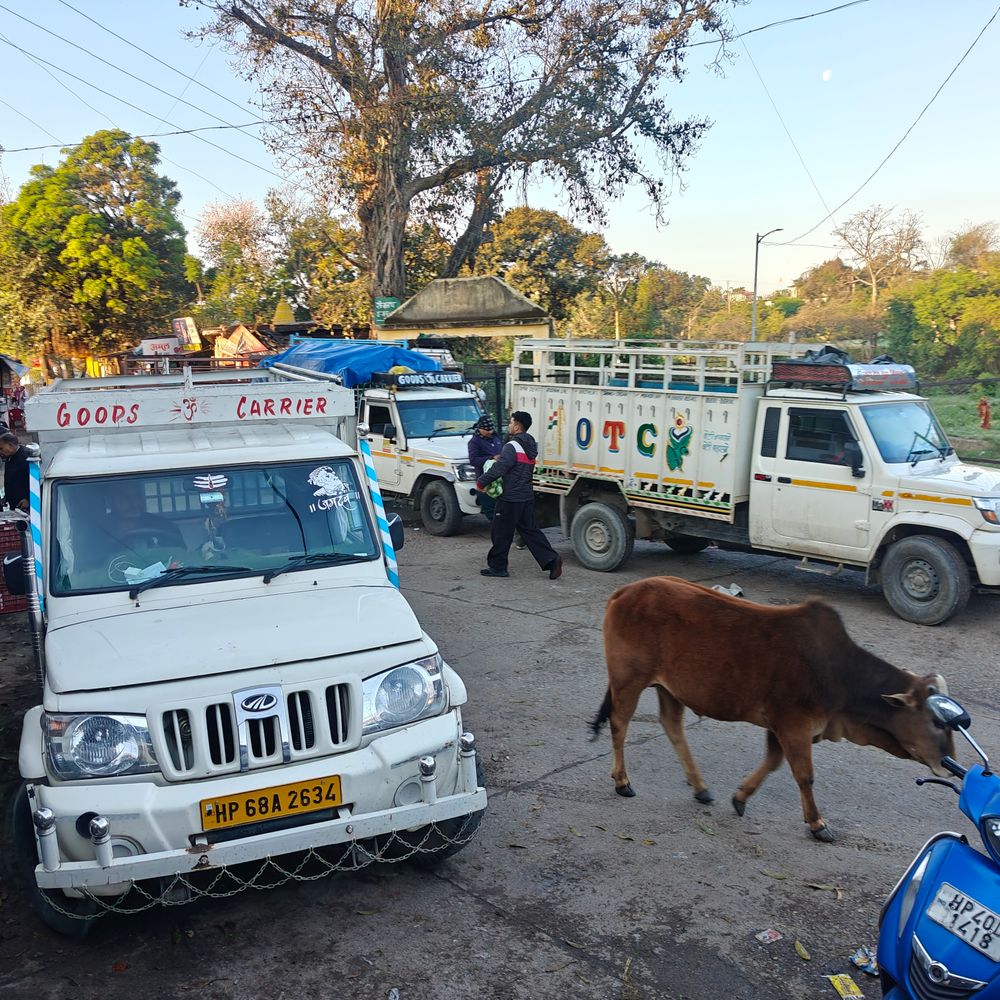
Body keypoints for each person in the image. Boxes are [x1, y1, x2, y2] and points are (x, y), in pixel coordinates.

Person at [476, 411, 562, 580]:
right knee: (530, 532)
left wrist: (481, 482)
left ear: (516, 426)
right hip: (526, 496)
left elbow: (501, 467)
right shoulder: (530, 445)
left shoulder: (512, 446)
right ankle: (552, 560)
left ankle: (498, 567)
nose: (509, 425)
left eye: (511, 422)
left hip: (510, 498)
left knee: (500, 532)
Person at [467, 414, 504, 521]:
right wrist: (491, 458)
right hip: (485, 482)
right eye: (487, 430)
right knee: (492, 512)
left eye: (491, 429)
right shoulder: (474, 442)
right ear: (480, 428)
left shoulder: (496, 437)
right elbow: (473, 460)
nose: (490, 432)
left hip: (500, 480)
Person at [0, 431, 29, 513]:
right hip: (15, 505)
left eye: (1, 449)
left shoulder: (26, 457)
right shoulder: (9, 457)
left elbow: (35, 479)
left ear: (10, 445)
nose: (0, 452)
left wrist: (28, 499)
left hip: (26, 506)